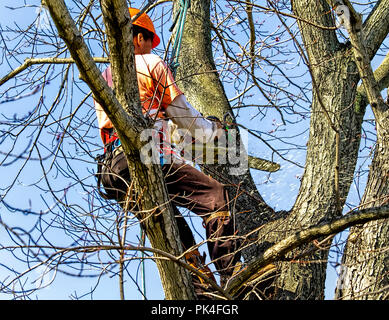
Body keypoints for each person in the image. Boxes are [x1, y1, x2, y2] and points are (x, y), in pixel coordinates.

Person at [94, 7, 241, 297]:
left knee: (171, 224)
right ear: (137, 39)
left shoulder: (105, 76)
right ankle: (232, 272)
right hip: (145, 156)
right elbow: (186, 120)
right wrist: (213, 130)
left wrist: (179, 142)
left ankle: (199, 286)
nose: (151, 46)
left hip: (114, 170)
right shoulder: (150, 62)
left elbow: (159, 124)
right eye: (148, 40)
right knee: (214, 196)